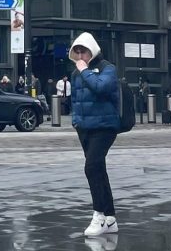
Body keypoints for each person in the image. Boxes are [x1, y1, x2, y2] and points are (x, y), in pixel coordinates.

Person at [69, 32, 121, 237]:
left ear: (93, 50)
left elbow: (102, 87)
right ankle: (110, 218)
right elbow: (76, 101)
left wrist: (85, 71)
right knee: (98, 169)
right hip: (85, 128)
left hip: (105, 126)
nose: (81, 55)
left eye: (84, 51)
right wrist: (76, 123)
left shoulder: (108, 68)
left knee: (91, 167)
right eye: (77, 51)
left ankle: (98, 215)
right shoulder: (75, 74)